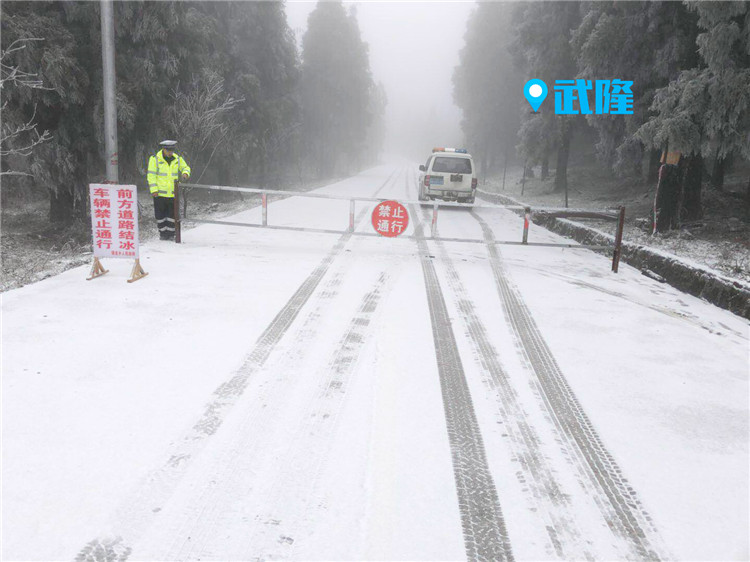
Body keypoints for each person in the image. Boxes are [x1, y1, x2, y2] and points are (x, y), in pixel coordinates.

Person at [147, 140, 191, 240]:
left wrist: (185, 173)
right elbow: (151, 175)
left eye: (172, 150)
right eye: (168, 150)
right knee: (160, 216)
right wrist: (153, 190)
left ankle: (171, 234)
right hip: (159, 194)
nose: (170, 152)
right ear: (163, 149)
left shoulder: (177, 159)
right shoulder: (155, 159)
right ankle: (163, 234)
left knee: (172, 216)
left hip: (172, 194)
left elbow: (186, 167)